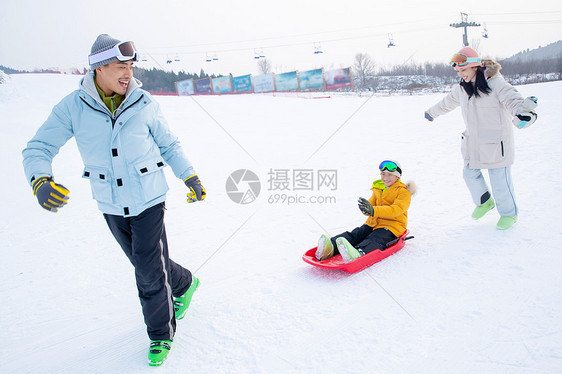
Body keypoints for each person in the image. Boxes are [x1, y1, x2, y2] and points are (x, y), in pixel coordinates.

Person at [22, 34, 205, 366]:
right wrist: (40, 180)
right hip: (110, 202)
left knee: (149, 271)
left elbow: (169, 145)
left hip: (149, 198)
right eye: (120, 67)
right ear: (99, 68)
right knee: (146, 264)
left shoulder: (144, 101)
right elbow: (38, 148)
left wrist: (189, 175)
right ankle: (186, 282)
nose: (128, 74)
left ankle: (161, 335)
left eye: (130, 67)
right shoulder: (73, 107)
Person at [424, 46, 538, 230]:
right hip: (474, 143)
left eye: (464, 70)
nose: (461, 74)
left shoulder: (496, 84)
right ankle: (485, 202)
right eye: (458, 71)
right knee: (469, 174)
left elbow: (513, 100)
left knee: (500, 182)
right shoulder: (462, 88)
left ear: (475, 66)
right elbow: (446, 103)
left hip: (496, 144)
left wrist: (522, 113)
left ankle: (509, 214)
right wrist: (431, 112)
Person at [315, 160, 416, 263]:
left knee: (375, 238)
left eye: (390, 175)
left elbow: (396, 209)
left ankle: (359, 253)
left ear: (398, 176)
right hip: (373, 223)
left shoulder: (403, 192)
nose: (385, 178)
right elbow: (371, 204)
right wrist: (365, 208)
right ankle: (330, 247)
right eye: (383, 174)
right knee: (357, 234)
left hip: (392, 227)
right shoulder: (378, 188)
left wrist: (373, 210)